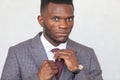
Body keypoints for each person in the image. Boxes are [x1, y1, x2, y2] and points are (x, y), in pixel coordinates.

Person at [1, 0, 103, 80]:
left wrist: (77, 70)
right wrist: (38, 78)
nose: (64, 25)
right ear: (41, 21)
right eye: (56, 19)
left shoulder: (88, 54)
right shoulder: (17, 53)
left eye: (69, 19)